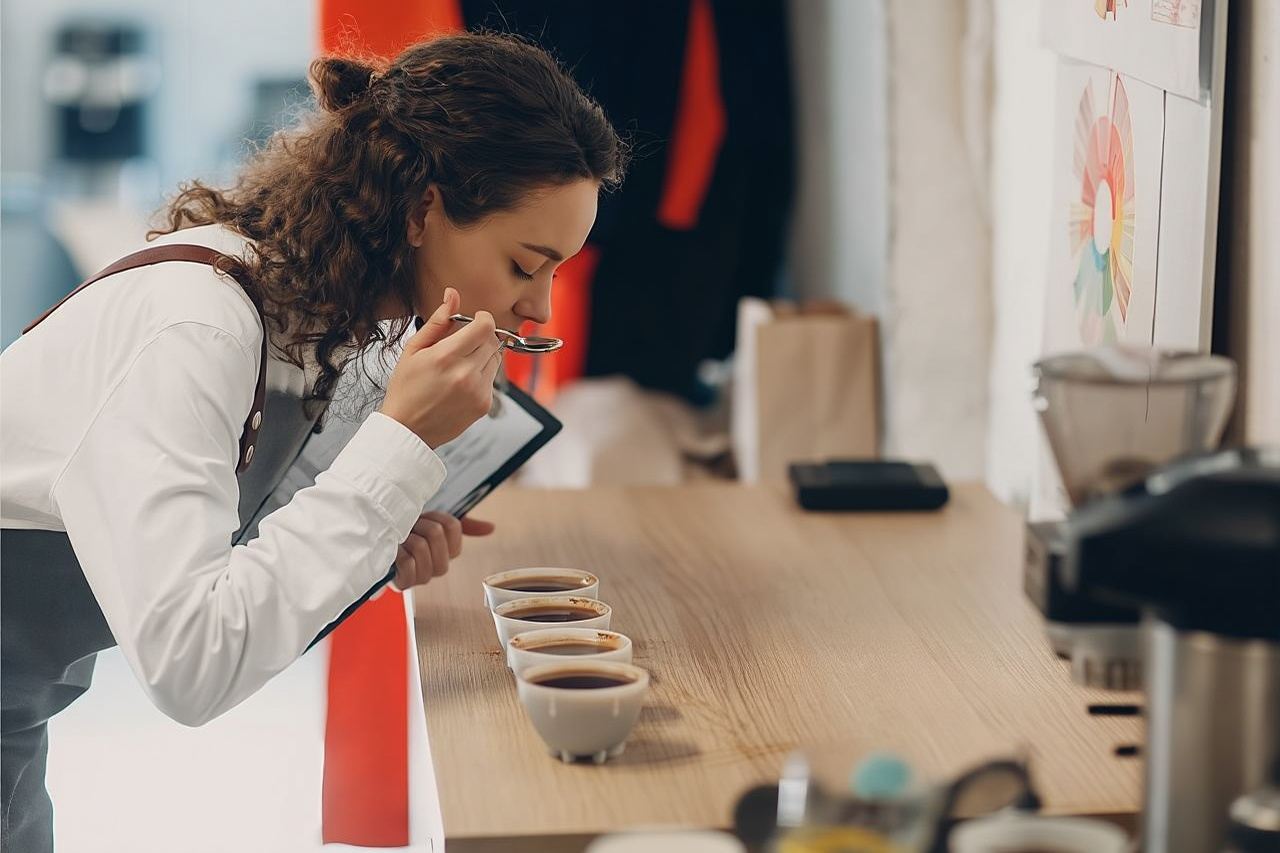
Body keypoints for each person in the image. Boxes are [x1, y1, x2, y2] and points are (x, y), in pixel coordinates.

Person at [0, 31, 626, 851]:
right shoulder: (199, 325)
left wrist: (377, 527)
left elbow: (230, 565)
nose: (539, 310)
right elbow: (192, 665)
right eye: (523, 264)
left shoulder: (311, 325)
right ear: (421, 208)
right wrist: (396, 446)